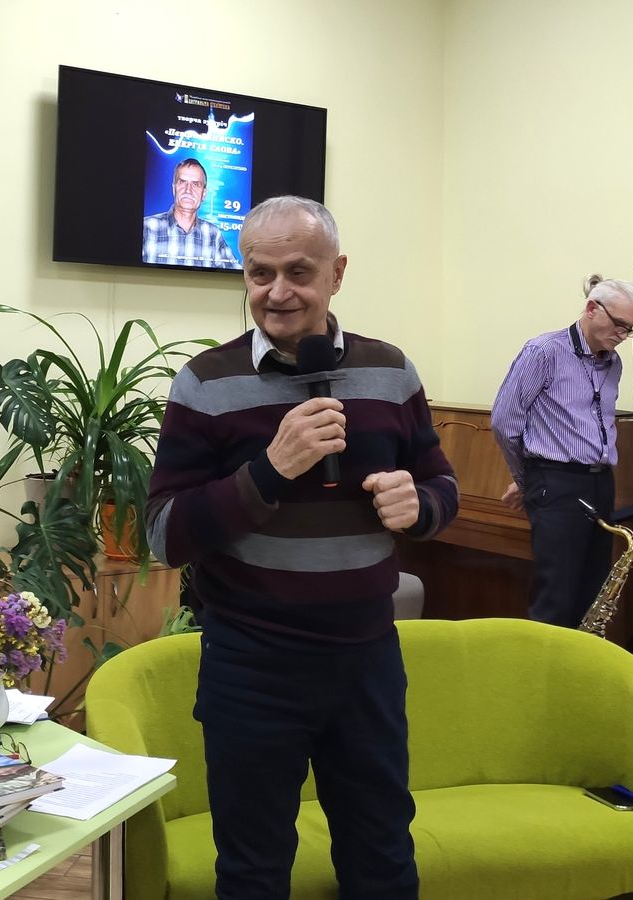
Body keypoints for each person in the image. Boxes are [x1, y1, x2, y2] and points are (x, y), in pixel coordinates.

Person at [146, 195, 458, 899]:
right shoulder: (205, 383)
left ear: (337, 273)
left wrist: (421, 506)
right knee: (252, 871)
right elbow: (166, 534)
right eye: (260, 274)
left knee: (382, 860)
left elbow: (441, 483)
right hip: (250, 665)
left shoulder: (391, 371)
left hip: (367, 660)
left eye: (299, 272)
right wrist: (268, 470)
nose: (277, 293)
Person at [490, 274, 633, 628]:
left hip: (600, 482)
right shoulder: (544, 352)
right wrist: (527, 479)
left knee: (593, 590)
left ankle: (579, 661)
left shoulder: (614, 363)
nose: (623, 335)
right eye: (619, 324)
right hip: (556, 483)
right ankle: (545, 664)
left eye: (630, 330)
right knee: (556, 596)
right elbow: (504, 421)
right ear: (591, 309)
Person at [142, 158, 239, 269]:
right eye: (182, 182)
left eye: (195, 184)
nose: (188, 190)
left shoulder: (213, 234)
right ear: (174, 189)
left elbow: (239, 275)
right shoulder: (147, 227)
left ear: (204, 194)